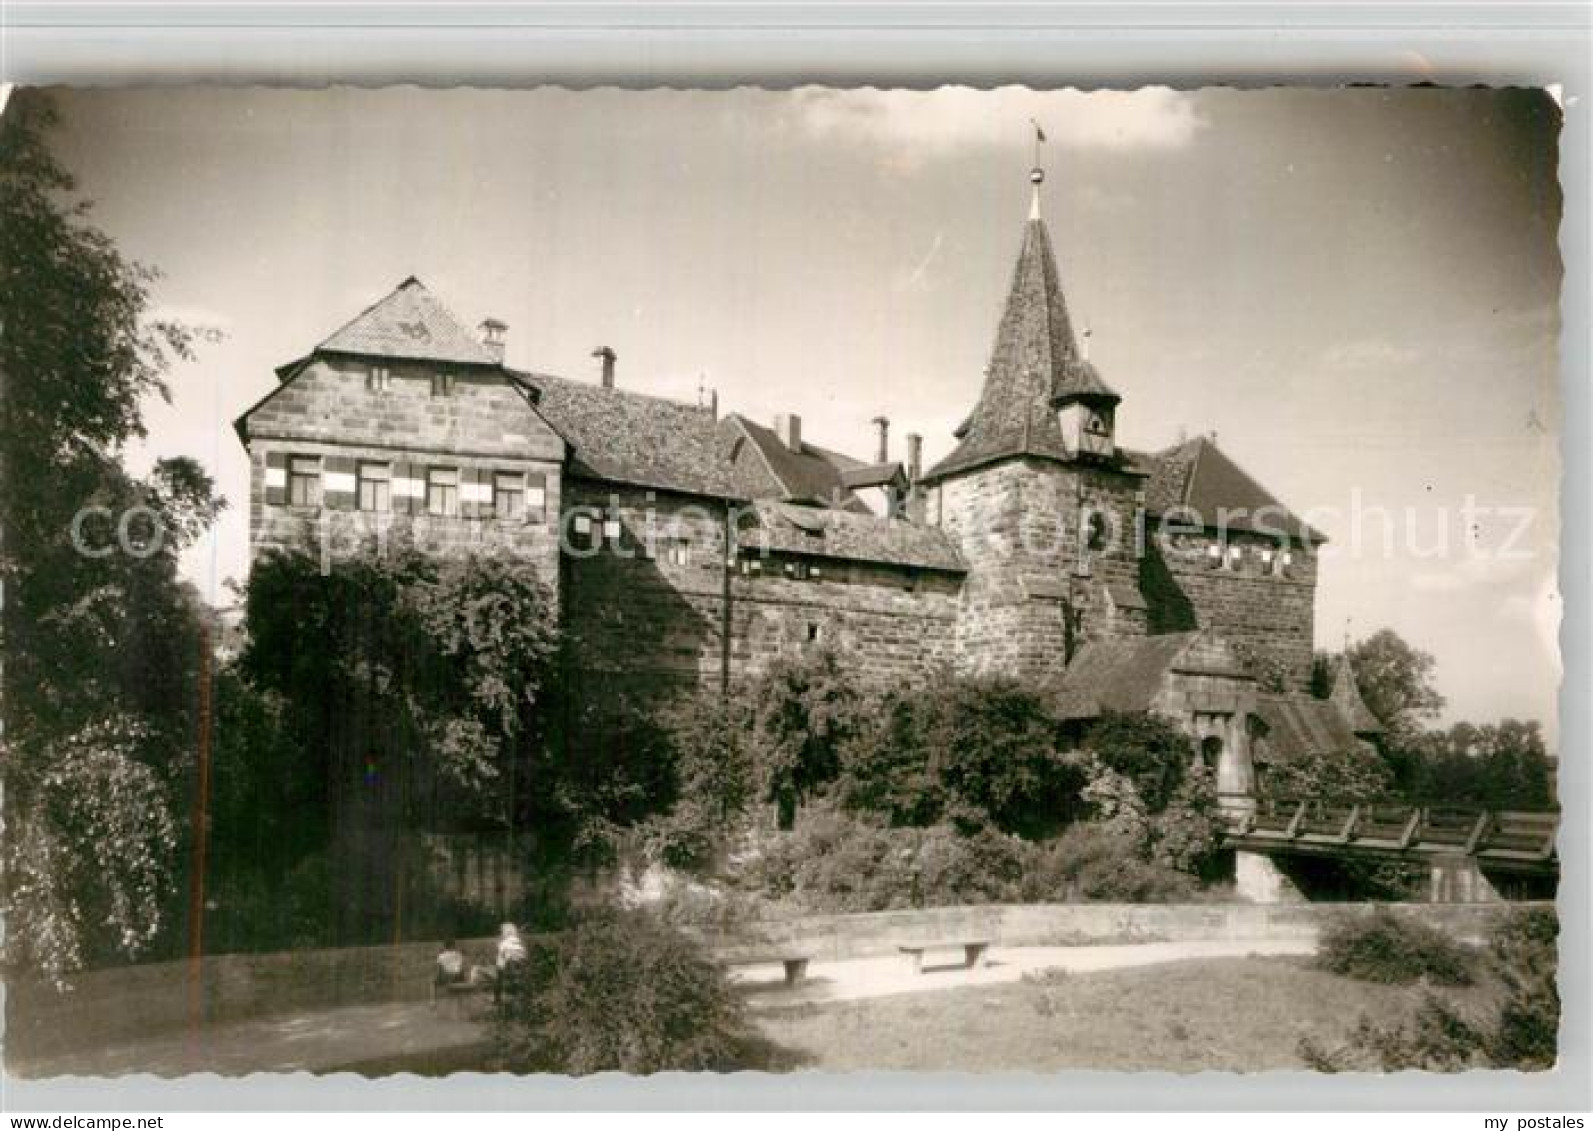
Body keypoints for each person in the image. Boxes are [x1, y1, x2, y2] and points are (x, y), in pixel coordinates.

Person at [493, 922, 527, 1004]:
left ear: (504, 932)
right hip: (519, 966)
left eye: (501, 932)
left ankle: (497, 998)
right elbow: (524, 955)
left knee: (498, 977)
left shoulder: (503, 943)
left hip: (507, 967)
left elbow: (501, 958)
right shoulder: (519, 943)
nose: (500, 933)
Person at [431, 938, 466, 1005]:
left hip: (447, 977)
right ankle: (461, 1002)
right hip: (458, 977)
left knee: (433, 982)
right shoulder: (458, 954)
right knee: (459, 973)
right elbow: (462, 967)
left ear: (445, 946)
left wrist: (439, 977)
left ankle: (433, 1001)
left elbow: (439, 969)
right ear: (453, 945)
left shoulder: (441, 956)